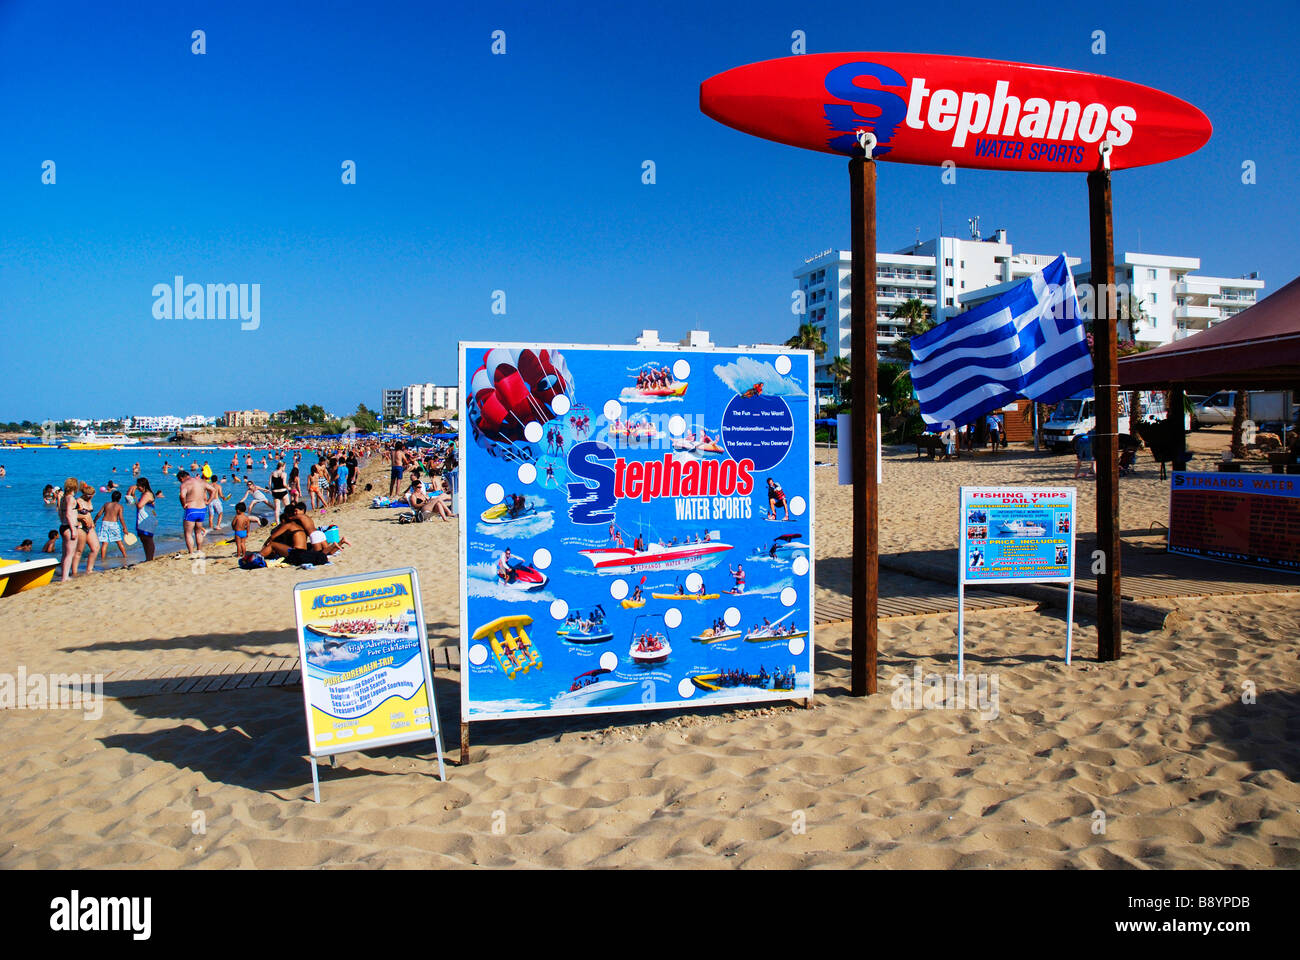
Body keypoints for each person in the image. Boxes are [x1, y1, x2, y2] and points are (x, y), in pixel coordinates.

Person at [177, 470, 212, 554]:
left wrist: (184, 504)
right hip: (202, 509)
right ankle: (199, 550)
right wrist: (208, 501)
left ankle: (191, 552)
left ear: (182, 478)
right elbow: (213, 490)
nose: (179, 482)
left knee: (188, 533)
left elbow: (182, 496)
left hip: (191, 510)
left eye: (179, 480)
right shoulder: (201, 481)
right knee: (198, 532)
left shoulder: (184, 484)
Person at [95, 490, 129, 562]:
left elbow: (99, 514)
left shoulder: (106, 504)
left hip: (104, 523)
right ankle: (125, 556)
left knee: (104, 543)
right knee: (118, 541)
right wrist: (124, 528)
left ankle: (103, 559)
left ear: (112, 497)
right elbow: (121, 518)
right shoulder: (119, 506)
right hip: (113, 524)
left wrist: (94, 521)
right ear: (119, 499)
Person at [131, 477, 158, 562]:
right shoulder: (144, 494)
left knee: (148, 538)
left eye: (138, 485)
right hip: (144, 518)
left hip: (148, 519)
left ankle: (150, 558)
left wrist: (133, 498)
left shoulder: (147, 494)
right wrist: (134, 496)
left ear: (143, 485)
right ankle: (148, 558)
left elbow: (139, 505)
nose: (137, 487)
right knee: (143, 538)